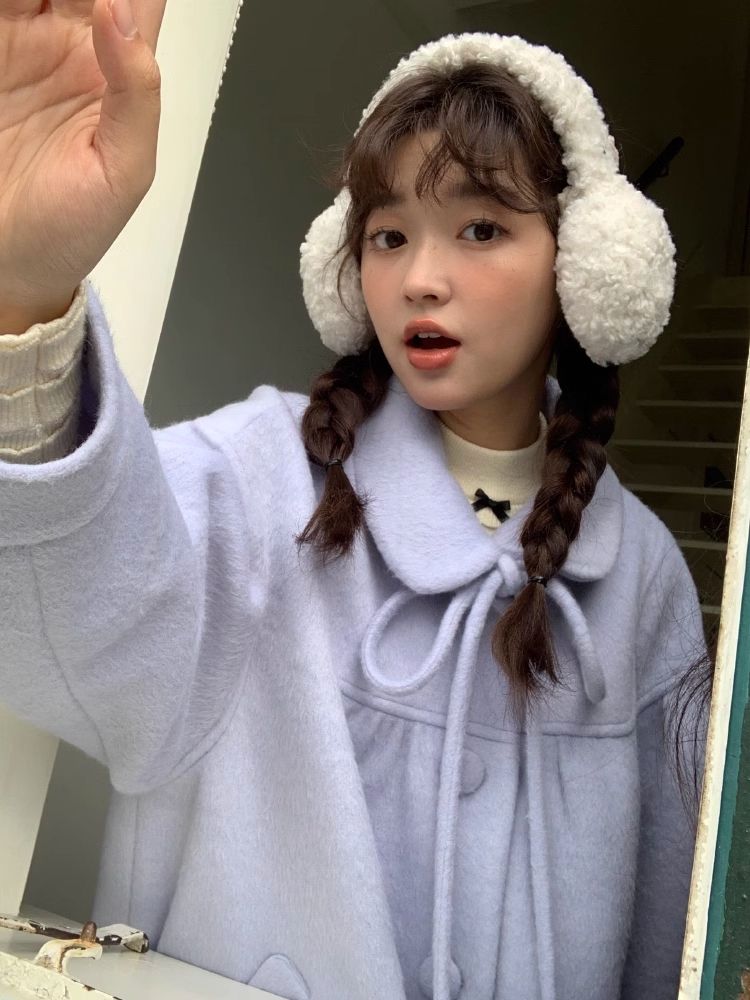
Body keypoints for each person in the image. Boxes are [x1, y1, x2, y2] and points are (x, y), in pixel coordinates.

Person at [0, 5, 709, 1000]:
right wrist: (23, 294)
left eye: (481, 228)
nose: (420, 278)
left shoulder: (644, 581)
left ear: (586, 262)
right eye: (387, 235)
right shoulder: (260, 478)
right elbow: (64, 622)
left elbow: (671, 938)